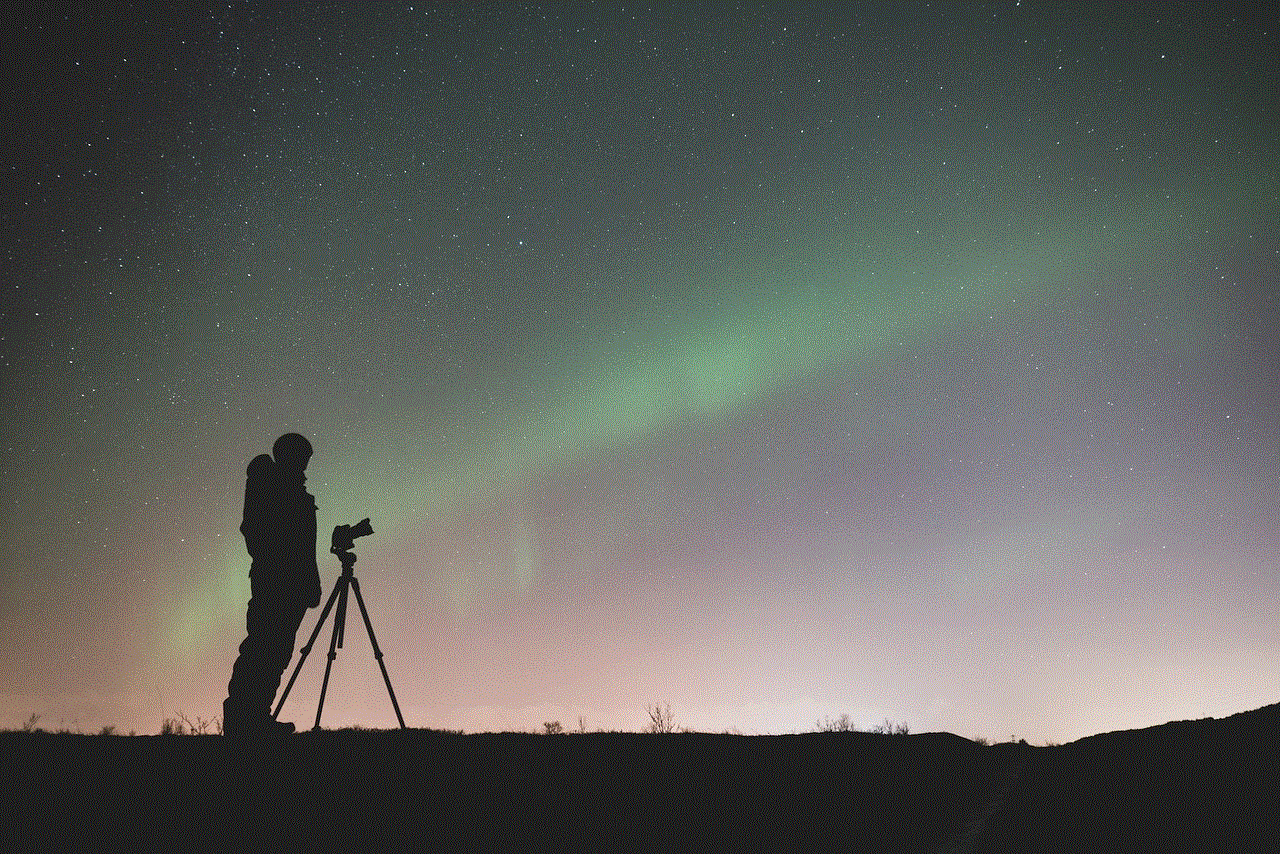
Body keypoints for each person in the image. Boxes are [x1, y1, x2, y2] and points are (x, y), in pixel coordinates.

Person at [223, 433, 323, 736]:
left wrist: (309, 581)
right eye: (302, 458)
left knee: (277, 651)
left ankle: (256, 717)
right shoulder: (269, 482)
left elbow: (305, 545)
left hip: (292, 584)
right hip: (275, 581)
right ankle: (243, 721)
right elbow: (254, 529)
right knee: (262, 648)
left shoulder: (294, 489)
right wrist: (279, 563)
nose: (305, 465)